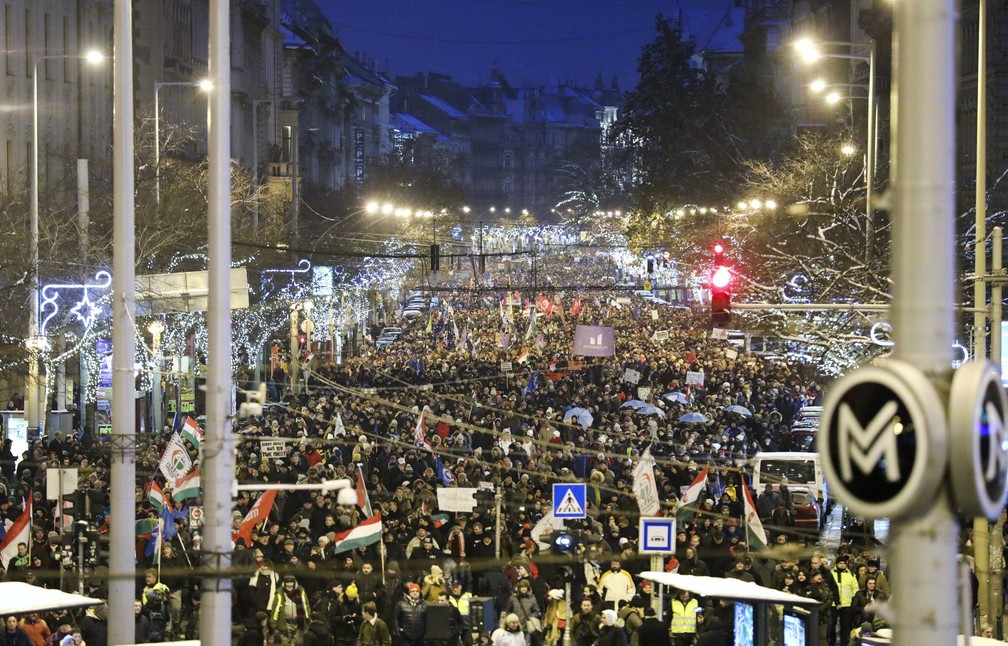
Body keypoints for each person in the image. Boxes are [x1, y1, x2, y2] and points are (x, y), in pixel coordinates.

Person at [270, 574, 312, 643]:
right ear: (284, 583)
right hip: (285, 624)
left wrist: (308, 618)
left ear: (294, 582)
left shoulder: (300, 591)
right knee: (285, 642)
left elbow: (306, 605)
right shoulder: (280, 593)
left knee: (299, 643)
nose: (289, 584)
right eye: (287, 582)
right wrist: (273, 622)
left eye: (291, 582)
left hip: (299, 623)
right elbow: (275, 609)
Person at [831, 555, 859, 646]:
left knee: (845, 626)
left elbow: (855, 589)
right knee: (832, 625)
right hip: (833, 604)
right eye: (840, 563)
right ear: (836, 564)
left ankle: (844, 644)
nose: (842, 565)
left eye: (844, 563)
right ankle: (832, 642)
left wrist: (853, 599)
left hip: (847, 604)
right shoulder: (831, 574)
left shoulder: (851, 575)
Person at [141, 568, 172, 641]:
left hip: (161, 618)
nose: (147, 579)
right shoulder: (144, 589)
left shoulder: (162, 587)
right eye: (146, 577)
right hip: (149, 617)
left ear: (155, 577)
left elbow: (167, 600)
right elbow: (144, 604)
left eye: (149, 577)